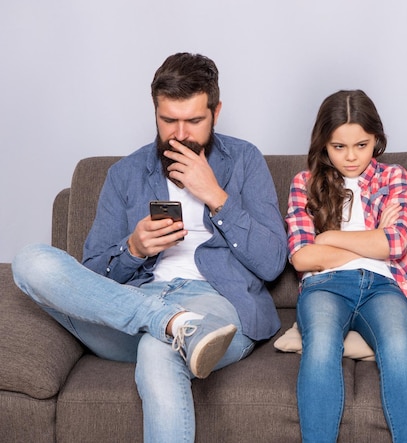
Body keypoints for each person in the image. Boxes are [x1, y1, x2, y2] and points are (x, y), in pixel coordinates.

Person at [12, 52, 287, 442]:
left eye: (194, 121)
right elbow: (89, 282)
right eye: (168, 120)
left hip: (215, 306)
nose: (180, 134)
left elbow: (274, 262)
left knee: (159, 352)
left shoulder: (244, 161)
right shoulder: (124, 174)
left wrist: (215, 196)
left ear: (216, 111)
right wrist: (134, 249)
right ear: (154, 111)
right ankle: (170, 322)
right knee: (30, 261)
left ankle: (176, 328)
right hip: (134, 306)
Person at [286, 89, 407, 442]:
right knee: (321, 345)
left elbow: (394, 244)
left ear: (376, 141)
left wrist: (327, 238)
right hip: (325, 286)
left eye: (361, 145)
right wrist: (372, 238)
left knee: (399, 346)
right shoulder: (304, 184)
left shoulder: (394, 177)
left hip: (383, 286)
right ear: (323, 144)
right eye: (339, 147)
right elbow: (301, 257)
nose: (351, 157)